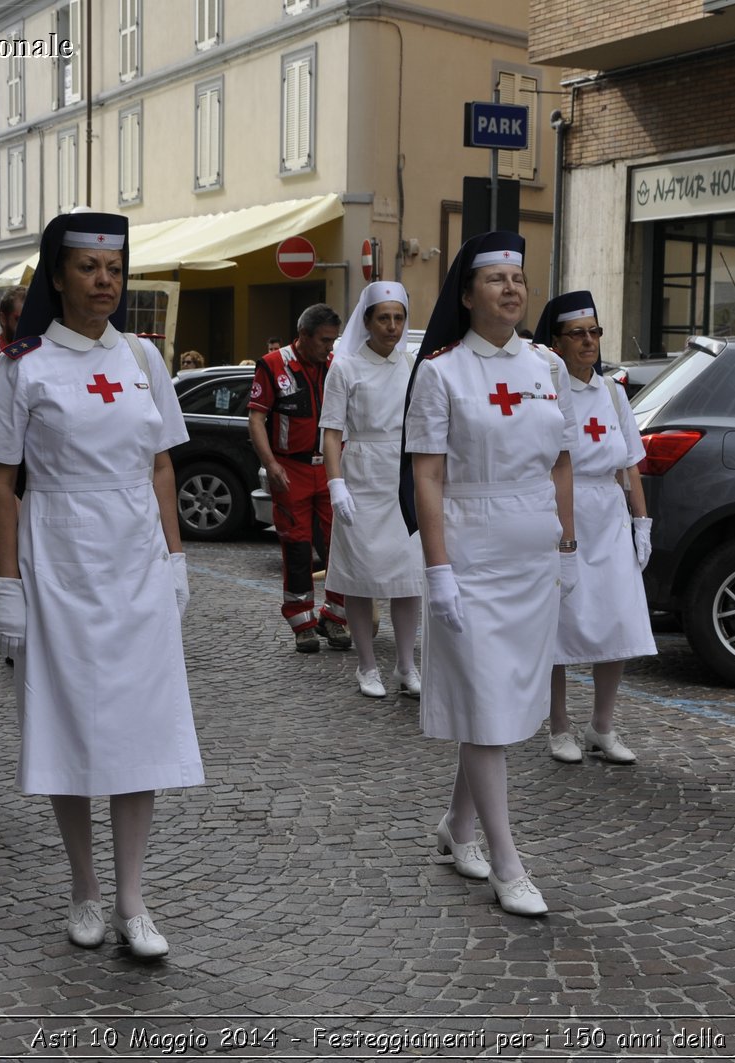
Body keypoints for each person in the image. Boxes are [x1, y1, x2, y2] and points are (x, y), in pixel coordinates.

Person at [0, 211, 201, 957]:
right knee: (73, 725)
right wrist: (7, 584)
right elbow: (1, 482)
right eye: (87, 267)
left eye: (114, 267)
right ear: (57, 274)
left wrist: (175, 558)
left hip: (135, 556)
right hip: (61, 555)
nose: (104, 281)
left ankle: (134, 899)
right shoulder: (24, 364)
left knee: (138, 728)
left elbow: (163, 463)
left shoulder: (143, 357)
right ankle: (84, 888)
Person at [402, 231, 577, 916]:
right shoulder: (442, 372)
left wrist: (567, 541)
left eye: (518, 277)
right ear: (467, 293)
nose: (511, 288)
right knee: (484, 697)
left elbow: (560, 457)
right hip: (470, 550)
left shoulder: (546, 367)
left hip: (531, 549)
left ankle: (458, 824)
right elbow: (428, 474)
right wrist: (438, 567)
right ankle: (508, 861)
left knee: (500, 700)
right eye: (496, 278)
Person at [533, 291, 656, 765]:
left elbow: (631, 462)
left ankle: (601, 724)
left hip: (608, 511)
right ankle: (559, 725)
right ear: (557, 342)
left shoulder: (613, 391)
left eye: (595, 332)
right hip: (566, 507)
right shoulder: (548, 391)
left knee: (617, 617)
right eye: (578, 334)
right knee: (562, 624)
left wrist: (640, 520)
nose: (589, 342)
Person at [320, 281, 423, 698]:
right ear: (368, 322)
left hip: (402, 476)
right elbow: (331, 432)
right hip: (360, 474)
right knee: (360, 576)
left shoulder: (413, 366)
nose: (392, 326)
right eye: (384, 318)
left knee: (408, 577)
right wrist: (336, 484)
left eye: (399, 318)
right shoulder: (344, 368)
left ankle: (405, 663)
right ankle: (366, 665)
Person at [248, 306, 351, 653]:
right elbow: (256, 419)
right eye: (324, 340)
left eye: (333, 341)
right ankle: (302, 622)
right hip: (290, 469)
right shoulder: (273, 365)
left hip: (330, 468)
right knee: (296, 547)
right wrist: (271, 465)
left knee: (339, 546)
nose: (329, 348)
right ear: (303, 335)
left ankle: (335, 617)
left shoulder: (336, 365)